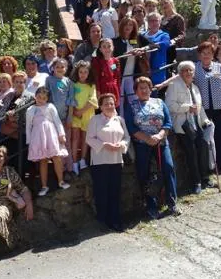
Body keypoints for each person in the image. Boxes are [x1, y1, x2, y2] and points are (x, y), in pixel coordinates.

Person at [125, 77, 180, 219]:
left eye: (146, 87)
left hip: (161, 142)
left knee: (168, 167)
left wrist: (160, 136)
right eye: (140, 88)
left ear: (151, 89)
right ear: (136, 91)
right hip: (142, 144)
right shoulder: (131, 105)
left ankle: (172, 203)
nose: (144, 90)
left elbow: (167, 123)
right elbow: (131, 126)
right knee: (144, 173)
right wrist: (147, 139)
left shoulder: (160, 102)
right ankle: (151, 206)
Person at [165, 62, 214, 194]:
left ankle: (205, 178)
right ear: (180, 73)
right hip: (183, 126)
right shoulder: (174, 86)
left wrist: (205, 121)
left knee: (203, 149)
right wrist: (187, 107)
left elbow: (200, 107)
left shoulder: (195, 88)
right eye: (185, 70)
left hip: (197, 124)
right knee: (191, 154)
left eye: (190, 70)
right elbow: (169, 106)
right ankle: (196, 182)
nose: (188, 73)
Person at [86, 93, 130, 231]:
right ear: (100, 106)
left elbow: (127, 137)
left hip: (116, 160)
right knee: (102, 191)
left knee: (114, 191)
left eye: (111, 103)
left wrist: (122, 145)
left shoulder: (119, 120)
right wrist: (105, 145)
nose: (109, 106)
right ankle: (102, 220)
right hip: (100, 161)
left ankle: (115, 219)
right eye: (106, 104)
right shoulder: (95, 119)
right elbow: (89, 138)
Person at [193, 41, 221, 175]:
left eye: (209, 53)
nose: (206, 55)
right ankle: (208, 167)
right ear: (199, 55)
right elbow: (181, 77)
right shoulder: (194, 68)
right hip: (203, 110)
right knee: (205, 138)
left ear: (213, 54)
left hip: (220, 107)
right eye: (203, 53)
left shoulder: (220, 68)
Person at [26, 87, 70, 196]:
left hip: (51, 134)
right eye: (39, 97)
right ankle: (44, 186)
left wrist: (61, 134)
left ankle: (61, 181)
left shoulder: (50, 107)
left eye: (44, 98)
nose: (41, 100)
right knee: (43, 160)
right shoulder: (31, 109)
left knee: (56, 157)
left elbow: (57, 121)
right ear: (35, 96)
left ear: (47, 99)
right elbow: (28, 126)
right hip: (38, 136)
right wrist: (29, 141)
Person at [0, 71, 36, 172]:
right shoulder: (9, 96)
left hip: (21, 133)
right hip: (8, 134)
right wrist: (8, 117)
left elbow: (28, 115)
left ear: (25, 83)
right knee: (9, 159)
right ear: (13, 83)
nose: (19, 84)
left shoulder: (30, 97)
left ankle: (21, 183)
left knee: (21, 161)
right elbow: (0, 114)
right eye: (17, 82)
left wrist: (14, 118)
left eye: (22, 82)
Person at [113, 17, 150, 114]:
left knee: (134, 100)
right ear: (121, 26)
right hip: (119, 76)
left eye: (131, 25)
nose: (128, 27)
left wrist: (142, 50)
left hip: (132, 76)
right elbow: (111, 62)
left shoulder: (137, 39)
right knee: (119, 101)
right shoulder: (114, 41)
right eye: (126, 24)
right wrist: (124, 55)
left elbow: (153, 45)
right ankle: (120, 122)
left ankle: (139, 120)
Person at [69, 60, 98, 174]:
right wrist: (75, 111)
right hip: (75, 115)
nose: (83, 74)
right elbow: (70, 99)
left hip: (87, 115)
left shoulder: (91, 86)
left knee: (85, 139)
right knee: (75, 138)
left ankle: (82, 160)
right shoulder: (73, 85)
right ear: (77, 72)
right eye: (81, 72)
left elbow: (93, 100)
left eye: (85, 72)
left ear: (88, 73)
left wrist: (81, 111)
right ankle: (74, 161)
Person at [142, 12, 172, 88]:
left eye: (156, 20)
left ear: (160, 22)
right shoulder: (142, 35)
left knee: (155, 93)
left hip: (156, 70)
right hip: (142, 68)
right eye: (151, 21)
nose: (154, 23)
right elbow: (134, 43)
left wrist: (149, 46)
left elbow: (164, 44)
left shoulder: (164, 35)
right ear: (148, 22)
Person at [92, 38, 122, 107]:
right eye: (104, 47)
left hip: (114, 88)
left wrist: (118, 92)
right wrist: (98, 92)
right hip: (103, 89)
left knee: (113, 107)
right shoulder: (97, 61)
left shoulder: (115, 61)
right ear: (100, 49)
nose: (107, 49)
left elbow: (117, 77)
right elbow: (97, 78)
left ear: (113, 47)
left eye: (109, 46)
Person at [160, 0, 186, 69]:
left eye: (165, 3)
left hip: (173, 48)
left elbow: (182, 35)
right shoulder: (161, 19)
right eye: (161, 4)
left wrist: (173, 41)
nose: (164, 5)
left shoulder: (178, 18)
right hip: (162, 48)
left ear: (171, 3)